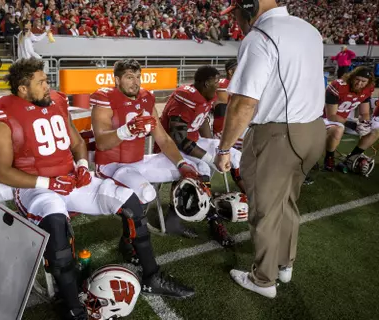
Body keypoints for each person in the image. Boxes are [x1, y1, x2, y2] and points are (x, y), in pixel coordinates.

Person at [0, 58, 194, 320]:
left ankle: (152, 275)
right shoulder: (2, 112)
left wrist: (82, 165)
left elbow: (77, 143)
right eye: (41, 82)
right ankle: (72, 307)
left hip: (70, 179)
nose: (48, 86)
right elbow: (1, 172)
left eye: (46, 80)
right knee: (57, 228)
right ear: (22, 89)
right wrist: (48, 183)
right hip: (36, 188)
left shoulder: (57, 101)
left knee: (130, 201)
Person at [217, 0, 326, 298]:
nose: (235, 19)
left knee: (264, 211)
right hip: (314, 130)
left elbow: (243, 103)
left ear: (250, 6)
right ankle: (284, 265)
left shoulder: (260, 37)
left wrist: (224, 149)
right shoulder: (309, 29)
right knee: (288, 202)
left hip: (278, 134)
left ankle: (263, 280)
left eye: (237, 11)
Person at [90, 59, 221, 243]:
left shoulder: (145, 98)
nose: (136, 82)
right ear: (117, 80)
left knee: (195, 170)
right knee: (146, 193)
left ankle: (174, 221)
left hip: (137, 161)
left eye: (138, 77)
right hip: (111, 165)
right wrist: (127, 130)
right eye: (129, 77)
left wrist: (182, 164)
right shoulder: (105, 99)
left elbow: (164, 139)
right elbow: (102, 143)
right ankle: (129, 241)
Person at [158, 65, 242, 246]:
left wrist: (211, 143)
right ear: (205, 84)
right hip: (172, 148)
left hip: (191, 142)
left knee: (232, 154)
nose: (218, 86)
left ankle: (206, 208)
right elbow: (178, 139)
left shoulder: (204, 95)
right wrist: (209, 157)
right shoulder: (185, 99)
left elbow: (202, 119)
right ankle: (210, 219)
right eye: (215, 82)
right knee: (202, 167)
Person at [322, 66, 377, 172]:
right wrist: (352, 124)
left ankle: (351, 158)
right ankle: (329, 159)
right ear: (352, 77)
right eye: (357, 79)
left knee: (374, 130)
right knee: (339, 129)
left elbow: (364, 112)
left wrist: (364, 123)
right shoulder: (338, 86)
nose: (359, 83)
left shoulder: (367, 89)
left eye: (363, 81)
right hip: (324, 118)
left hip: (344, 119)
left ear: (368, 82)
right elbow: (331, 115)